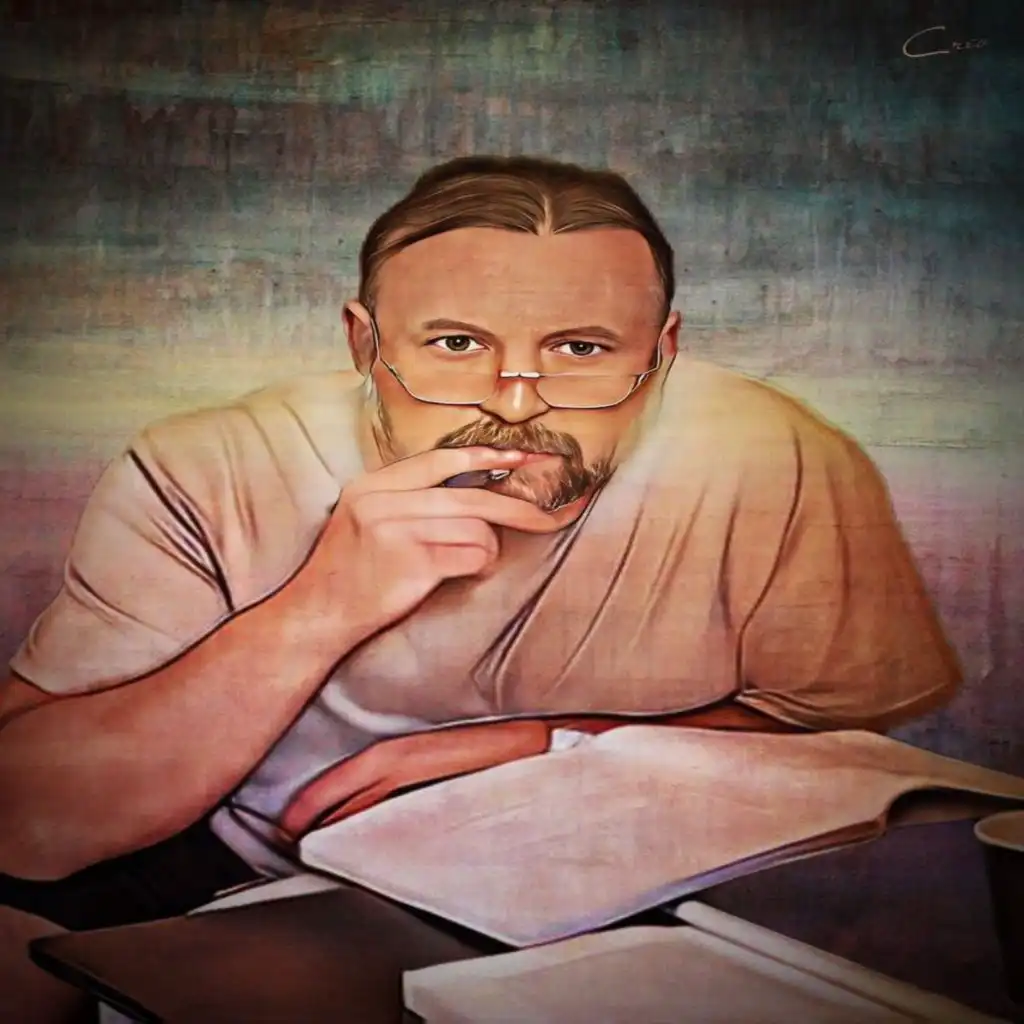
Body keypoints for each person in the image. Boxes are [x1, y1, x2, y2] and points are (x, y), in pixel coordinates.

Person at [0, 155, 961, 1021]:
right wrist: (325, 603)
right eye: (456, 344)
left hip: (619, 899)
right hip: (234, 867)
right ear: (364, 343)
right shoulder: (208, 462)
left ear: (662, 351)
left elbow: (850, 748)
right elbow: (28, 824)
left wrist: (541, 743)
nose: (515, 401)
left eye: (582, 350)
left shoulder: (774, 456)